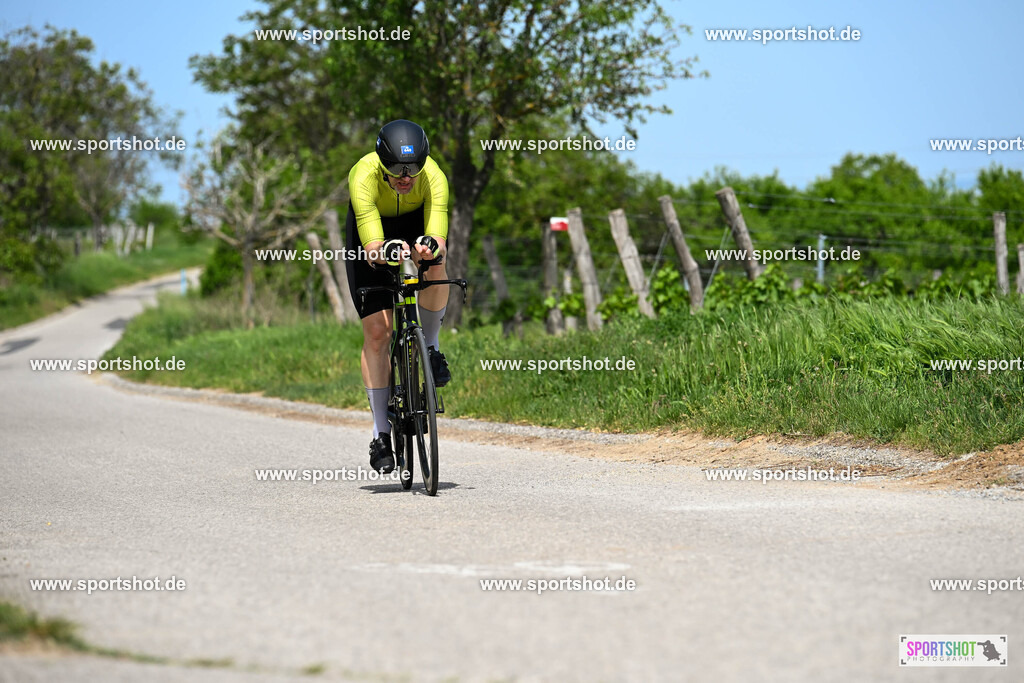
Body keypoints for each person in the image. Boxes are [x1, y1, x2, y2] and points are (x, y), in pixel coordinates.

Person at [344, 119, 451, 474]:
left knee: (436, 261)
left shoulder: (434, 177)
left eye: (413, 168)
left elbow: (439, 237)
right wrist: (385, 251)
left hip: (414, 221)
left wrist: (430, 247)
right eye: (395, 169)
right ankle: (380, 433)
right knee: (378, 333)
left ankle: (431, 347)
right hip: (373, 231)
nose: (405, 177)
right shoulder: (362, 175)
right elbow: (372, 248)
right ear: (381, 163)